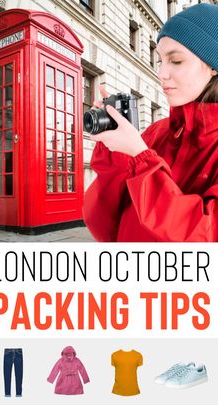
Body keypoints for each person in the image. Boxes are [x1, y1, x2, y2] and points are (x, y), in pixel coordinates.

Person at [83, 3, 218, 242]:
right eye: (160, 61)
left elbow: (205, 235)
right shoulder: (156, 132)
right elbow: (104, 227)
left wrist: (142, 160)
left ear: (213, 67)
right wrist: (116, 152)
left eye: (176, 61)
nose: (162, 74)